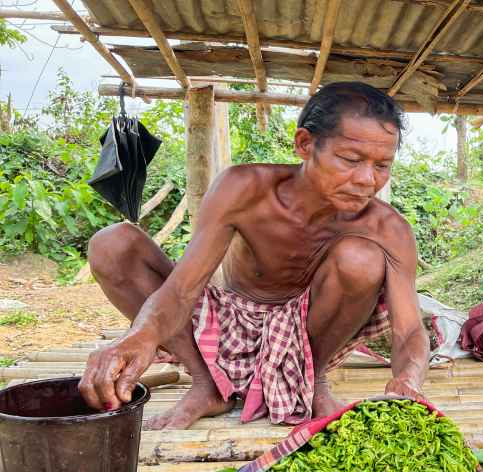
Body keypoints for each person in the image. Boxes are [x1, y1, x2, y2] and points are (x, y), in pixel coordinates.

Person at [78, 82, 430, 430]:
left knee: (362, 259)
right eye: (350, 160)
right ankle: (208, 384)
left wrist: (409, 379)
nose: (367, 180)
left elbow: (409, 328)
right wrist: (140, 335)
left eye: (382, 166)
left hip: (308, 334)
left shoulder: (388, 229)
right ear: (305, 144)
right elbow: (182, 289)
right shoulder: (243, 188)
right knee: (112, 243)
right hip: (222, 321)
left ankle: (313, 382)